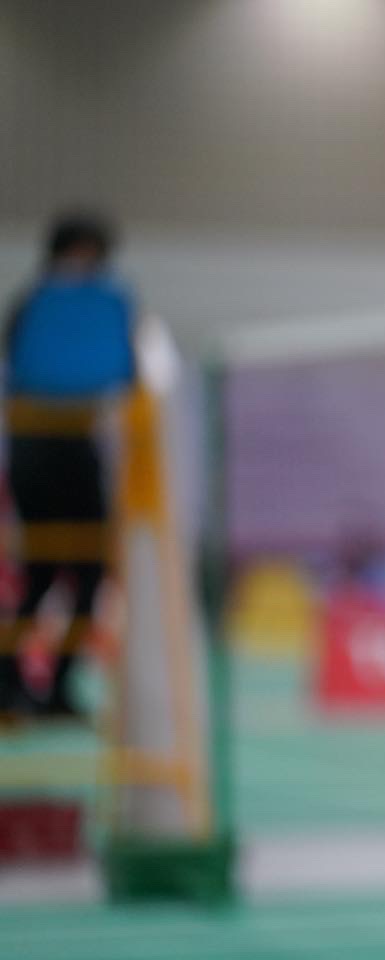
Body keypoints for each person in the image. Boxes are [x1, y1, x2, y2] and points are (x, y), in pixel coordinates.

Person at [0, 211, 136, 720]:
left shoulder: (112, 306)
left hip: (80, 447)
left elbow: (124, 372)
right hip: (34, 448)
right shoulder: (31, 306)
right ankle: (9, 687)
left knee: (90, 573)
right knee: (36, 576)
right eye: (77, 252)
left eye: (93, 255)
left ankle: (59, 687)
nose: (85, 264)